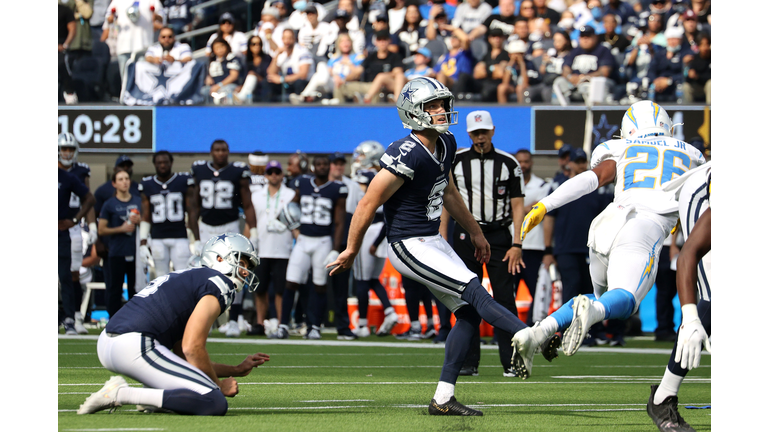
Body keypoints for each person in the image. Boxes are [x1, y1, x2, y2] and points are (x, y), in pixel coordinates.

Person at [326, 77, 555, 414]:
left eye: (441, 103)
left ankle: (443, 399)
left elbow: (449, 193)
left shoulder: (446, 143)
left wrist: (475, 232)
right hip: (408, 243)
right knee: (476, 291)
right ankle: (531, 334)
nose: (441, 110)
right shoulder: (406, 153)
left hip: (432, 239)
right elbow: (367, 203)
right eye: (432, 106)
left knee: (468, 314)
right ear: (413, 112)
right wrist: (351, 248)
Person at [511, 100, 706, 378]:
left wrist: (545, 205)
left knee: (603, 298)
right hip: (645, 227)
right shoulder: (693, 155)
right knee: (624, 303)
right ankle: (589, 313)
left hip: (605, 225)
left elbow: (591, 179)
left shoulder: (623, 147)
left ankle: (538, 332)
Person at [77, 233, 270, 416]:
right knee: (213, 401)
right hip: (135, 345)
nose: (245, 272)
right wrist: (218, 385)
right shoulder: (219, 283)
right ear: (220, 258)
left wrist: (235, 369)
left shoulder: (189, 278)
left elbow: (183, 357)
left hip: (110, 343)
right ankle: (122, 394)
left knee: (198, 389)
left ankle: (153, 397)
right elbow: (192, 348)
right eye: (242, 262)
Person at [440, 110, 528, 378]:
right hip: (466, 235)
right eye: (476, 133)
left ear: (493, 131)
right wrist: (443, 237)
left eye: (484, 132)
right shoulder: (456, 161)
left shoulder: (508, 163)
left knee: (504, 299)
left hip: (499, 236)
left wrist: (517, 244)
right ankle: (469, 361)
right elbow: (446, 199)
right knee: (467, 299)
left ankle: (511, 361)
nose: (480, 137)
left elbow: (517, 206)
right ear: (468, 134)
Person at [647, 162, 711, 432]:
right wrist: (690, 315)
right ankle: (664, 396)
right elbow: (688, 254)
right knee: (716, 293)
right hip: (702, 191)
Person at [273, 155, 348, 340]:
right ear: (313, 167)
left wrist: (335, 248)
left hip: (323, 242)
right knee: (291, 282)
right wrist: (292, 225)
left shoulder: (337, 189)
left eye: (324, 164)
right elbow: (291, 207)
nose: (322, 167)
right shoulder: (303, 184)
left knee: (319, 285)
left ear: (328, 167)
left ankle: (314, 326)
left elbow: (339, 222)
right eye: (318, 164)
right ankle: (283, 325)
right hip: (303, 240)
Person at [191, 139, 258, 337]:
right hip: (205, 227)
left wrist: (252, 230)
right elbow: (194, 206)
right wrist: (194, 237)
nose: (220, 153)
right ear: (211, 152)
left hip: (229, 227)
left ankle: (234, 320)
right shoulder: (199, 170)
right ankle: (205, 322)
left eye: (224, 150)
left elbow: (247, 203)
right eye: (217, 150)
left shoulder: (237, 171)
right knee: (202, 274)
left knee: (236, 272)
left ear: (228, 151)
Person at [347, 143, 399, 338]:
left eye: (361, 155)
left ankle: (361, 324)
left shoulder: (365, 177)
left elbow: (359, 206)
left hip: (368, 228)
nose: (358, 159)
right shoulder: (386, 175)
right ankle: (389, 311)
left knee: (361, 278)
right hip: (383, 228)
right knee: (372, 279)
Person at [248, 161, 297, 336]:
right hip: (261, 247)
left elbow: (295, 221)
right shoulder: (256, 195)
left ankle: (280, 323)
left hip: (283, 249)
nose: (274, 175)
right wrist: (248, 242)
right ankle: (260, 323)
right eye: (271, 172)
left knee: (280, 289)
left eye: (277, 172)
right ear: (266, 175)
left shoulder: (291, 194)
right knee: (260, 289)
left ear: (282, 175)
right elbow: (250, 221)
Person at [138, 150, 200, 278]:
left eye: (165, 162)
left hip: (180, 237)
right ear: (154, 164)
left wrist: (197, 239)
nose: (162, 165)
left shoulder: (183, 181)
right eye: (159, 163)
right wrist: (143, 243)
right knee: (161, 278)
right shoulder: (147, 184)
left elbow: (191, 211)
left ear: (171, 163)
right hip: (157, 238)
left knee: (183, 276)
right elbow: (145, 216)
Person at [58, 133, 98, 334]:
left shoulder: (80, 171)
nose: (66, 153)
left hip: (72, 226)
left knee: (73, 273)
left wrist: (91, 226)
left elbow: (87, 199)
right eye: (63, 149)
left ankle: (75, 316)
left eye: (70, 149)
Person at [98, 168, 143, 319]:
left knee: (135, 288)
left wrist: (140, 221)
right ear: (114, 184)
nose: (124, 182)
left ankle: (134, 321)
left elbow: (148, 222)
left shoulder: (137, 200)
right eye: (121, 179)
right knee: (114, 288)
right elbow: (101, 229)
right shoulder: (110, 204)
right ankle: (114, 321)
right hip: (117, 251)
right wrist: (120, 228)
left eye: (126, 179)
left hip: (135, 252)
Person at [514, 149, 551, 326]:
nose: (523, 165)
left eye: (526, 161)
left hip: (534, 247)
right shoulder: (509, 182)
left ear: (531, 163)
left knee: (536, 292)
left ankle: (531, 327)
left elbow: (541, 208)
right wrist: (528, 208)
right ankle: (506, 330)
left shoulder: (542, 185)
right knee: (506, 292)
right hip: (513, 245)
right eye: (519, 161)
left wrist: (517, 209)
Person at [552, 25, 616, 105]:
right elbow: (565, 68)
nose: (585, 39)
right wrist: (570, 77)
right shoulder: (575, 51)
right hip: (575, 85)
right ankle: (561, 113)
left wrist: (586, 77)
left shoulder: (603, 50)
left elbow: (605, 72)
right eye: (582, 37)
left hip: (593, 83)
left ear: (595, 37)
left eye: (588, 36)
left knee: (599, 83)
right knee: (559, 82)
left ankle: (598, 113)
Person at [105, 0, 164, 81]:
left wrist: (156, 17)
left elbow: (162, 18)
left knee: (144, 80)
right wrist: (111, 18)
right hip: (123, 47)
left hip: (144, 47)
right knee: (126, 80)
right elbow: (108, 17)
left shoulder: (152, 1)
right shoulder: (117, 1)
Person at [267, 28, 316, 102]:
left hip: (304, 84)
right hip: (287, 84)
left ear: (294, 39)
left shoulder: (302, 52)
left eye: (289, 38)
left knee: (299, 82)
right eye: (285, 38)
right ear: (282, 39)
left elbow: (303, 74)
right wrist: (276, 55)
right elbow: (270, 73)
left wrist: (281, 79)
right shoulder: (281, 53)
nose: (287, 41)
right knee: (268, 82)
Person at [473, 27, 509, 102]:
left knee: (487, 91)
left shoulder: (506, 55)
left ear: (503, 38)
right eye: (494, 36)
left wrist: (486, 69)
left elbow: (500, 74)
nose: (497, 39)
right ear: (489, 39)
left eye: (499, 36)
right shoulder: (486, 55)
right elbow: (477, 74)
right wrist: (493, 69)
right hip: (483, 83)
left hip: (497, 84)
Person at [201, 38, 241, 104]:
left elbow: (234, 76)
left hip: (228, 85)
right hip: (214, 86)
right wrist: (208, 78)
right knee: (204, 91)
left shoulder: (232, 58)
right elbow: (208, 74)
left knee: (225, 91)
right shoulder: (212, 60)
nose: (220, 50)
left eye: (222, 46)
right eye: (216, 48)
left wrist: (219, 85)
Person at [235, 35, 273, 103]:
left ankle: (241, 97)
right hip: (249, 88)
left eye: (259, 44)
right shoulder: (246, 60)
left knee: (252, 76)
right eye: (254, 44)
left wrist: (256, 76)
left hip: (264, 86)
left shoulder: (267, 58)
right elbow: (243, 77)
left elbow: (269, 76)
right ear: (249, 46)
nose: (257, 46)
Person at [682, 33, 710, 104]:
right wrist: (690, 74)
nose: (705, 47)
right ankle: (687, 112)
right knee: (686, 87)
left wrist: (697, 76)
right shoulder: (694, 59)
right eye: (702, 45)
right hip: (697, 88)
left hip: (708, 88)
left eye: (707, 44)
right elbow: (687, 78)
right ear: (698, 46)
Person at [59, 3, 78, 104]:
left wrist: (65, 45)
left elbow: (72, 30)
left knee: (62, 65)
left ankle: (69, 92)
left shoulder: (65, 10)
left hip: (61, 47)